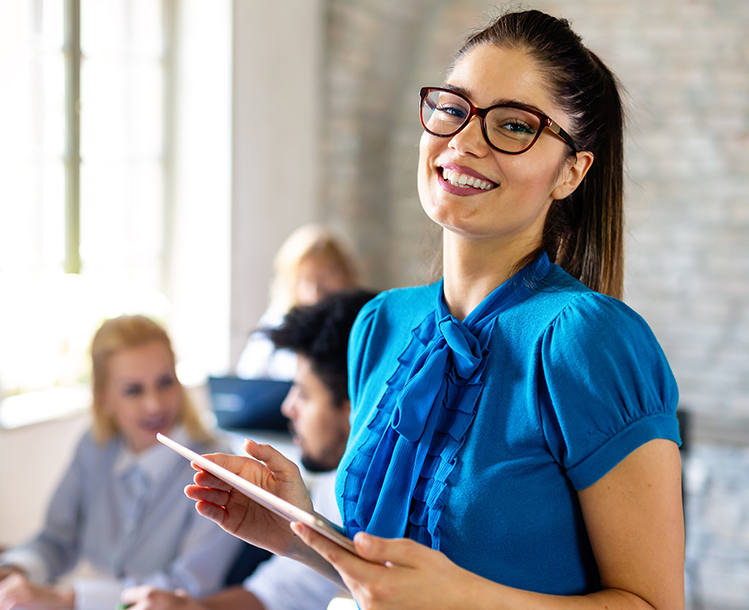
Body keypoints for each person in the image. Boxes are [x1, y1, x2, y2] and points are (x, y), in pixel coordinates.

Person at [184, 10, 684, 610]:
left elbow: (653, 605)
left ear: (570, 173)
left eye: (515, 125)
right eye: (453, 109)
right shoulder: (379, 325)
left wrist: (464, 597)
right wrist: (298, 532)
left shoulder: (586, 340)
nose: (465, 141)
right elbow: (396, 583)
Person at [0, 315, 241, 610]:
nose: (154, 404)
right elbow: (56, 539)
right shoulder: (96, 447)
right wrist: (14, 570)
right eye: (133, 390)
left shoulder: (217, 470)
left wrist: (69, 599)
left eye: (165, 382)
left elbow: (187, 587)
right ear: (103, 398)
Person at [122, 289, 376, 610]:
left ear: (355, 406)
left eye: (304, 394)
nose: (287, 407)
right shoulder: (335, 486)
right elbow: (280, 591)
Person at [236, 224, 359, 380]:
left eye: (324, 277)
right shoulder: (277, 322)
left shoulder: (362, 320)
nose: (316, 290)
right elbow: (247, 378)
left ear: (345, 274)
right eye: (306, 280)